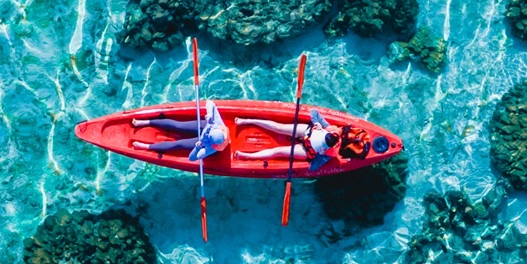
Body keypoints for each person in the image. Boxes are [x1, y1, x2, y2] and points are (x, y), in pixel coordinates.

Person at [232, 109, 371, 168]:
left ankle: (245, 156)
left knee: (277, 151)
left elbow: (313, 166)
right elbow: (314, 113)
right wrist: (317, 124)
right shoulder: (331, 130)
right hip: (308, 132)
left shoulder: (330, 153)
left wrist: (319, 157)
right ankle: (245, 121)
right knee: (278, 127)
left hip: (306, 149)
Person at [130, 100, 230, 159]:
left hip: (202, 142)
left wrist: (197, 148)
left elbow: (193, 158)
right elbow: (210, 103)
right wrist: (210, 114)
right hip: (204, 126)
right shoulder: (217, 124)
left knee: (178, 144)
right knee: (179, 126)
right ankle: (145, 122)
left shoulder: (211, 148)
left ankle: (146, 146)